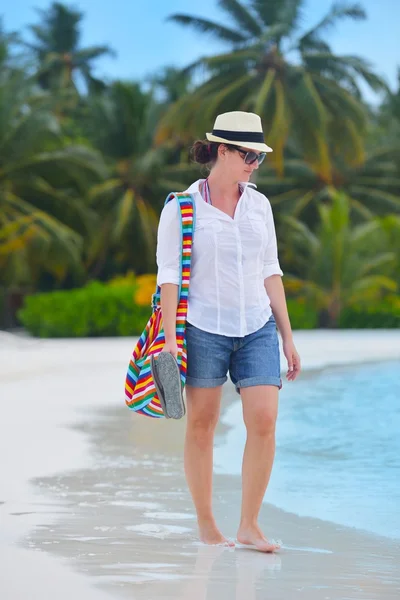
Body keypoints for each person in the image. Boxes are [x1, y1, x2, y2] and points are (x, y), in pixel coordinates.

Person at [156, 111, 301, 552]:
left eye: (259, 155)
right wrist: (168, 340)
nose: (254, 163)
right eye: (248, 154)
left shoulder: (260, 206)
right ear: (222, 151)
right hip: (204, 328)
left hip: (256, 326)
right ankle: (207, 525)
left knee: (264, 419)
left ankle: (249, 525)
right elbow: (169, 278)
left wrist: (287, 336)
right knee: (201, 424)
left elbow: (270, 272)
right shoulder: (181, 207)